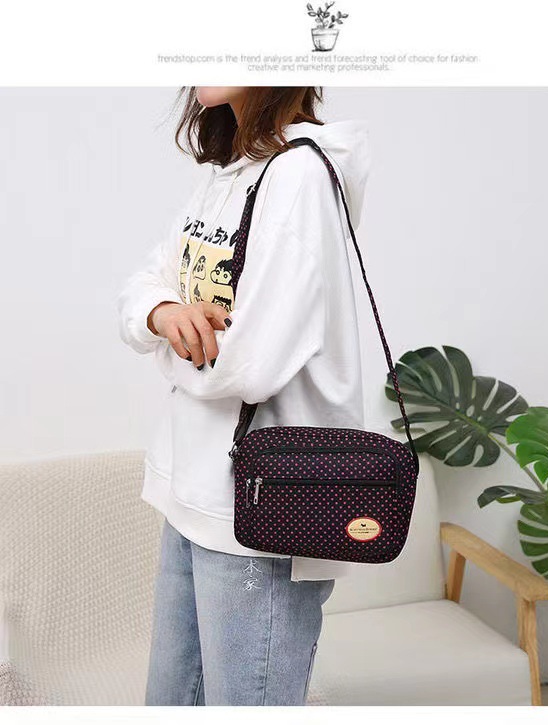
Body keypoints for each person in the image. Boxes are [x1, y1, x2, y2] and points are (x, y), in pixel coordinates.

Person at [116, 86, 371, 706]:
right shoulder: (229, 172)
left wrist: (170, 351)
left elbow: (251, 367)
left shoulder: (300, 175)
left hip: (264, 509)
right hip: (193, 490)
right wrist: (165, 313)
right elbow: (146, 282)